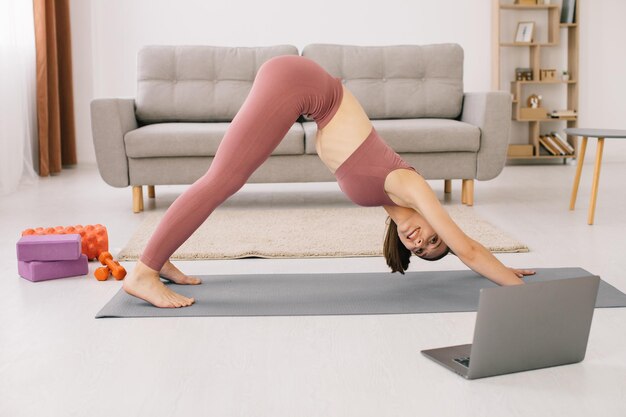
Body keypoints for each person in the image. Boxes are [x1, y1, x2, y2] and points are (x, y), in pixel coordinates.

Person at [123, 55, 535, 308]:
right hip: (299, 85)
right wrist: (510, 281)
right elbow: (468, 247)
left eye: (419, 249)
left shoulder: (387, 199)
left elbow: (464, 251)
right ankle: (142, 274)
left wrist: (497, 268)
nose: (419, 240)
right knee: (222, 180)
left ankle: (159, 260)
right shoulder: (408, 185)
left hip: (301, 88)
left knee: (222, 179)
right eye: (432, 238)